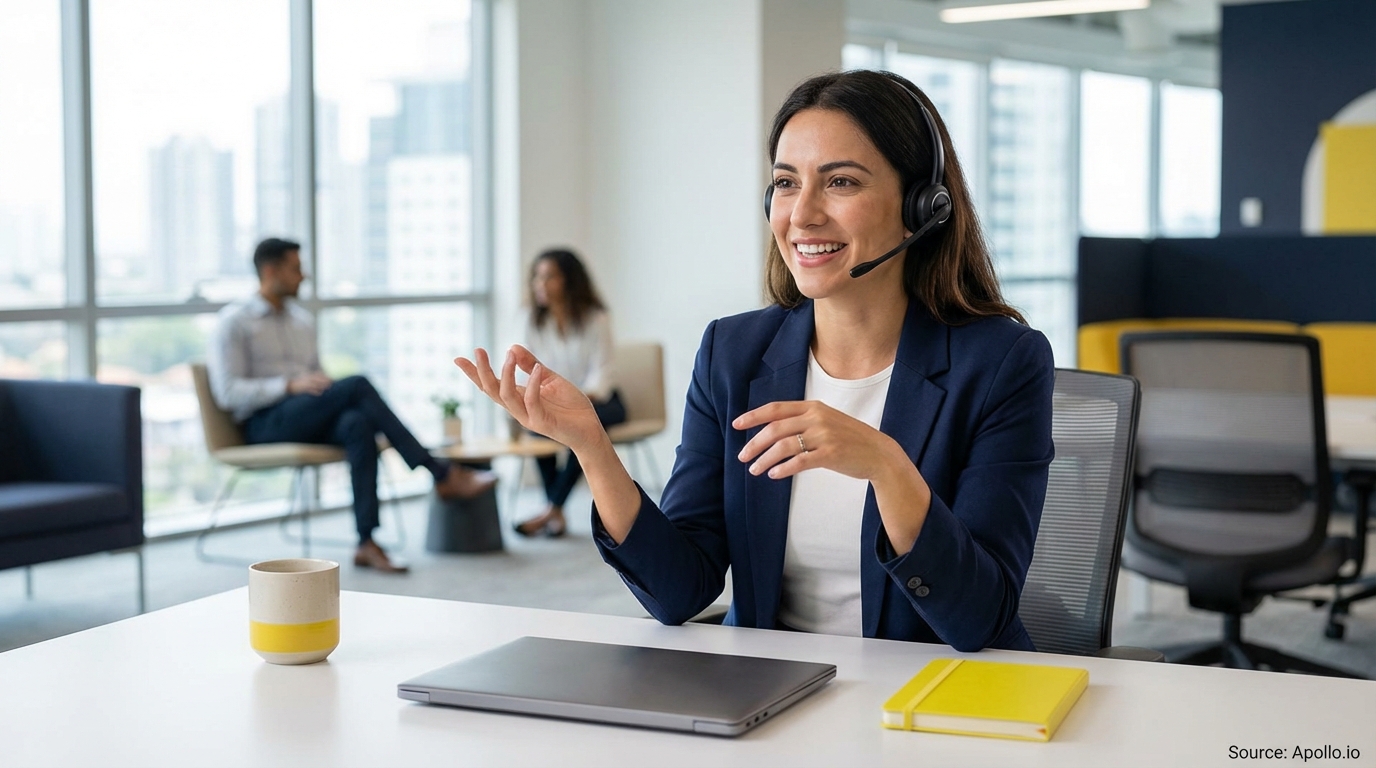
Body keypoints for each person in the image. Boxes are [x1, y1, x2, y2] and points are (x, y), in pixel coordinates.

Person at [456, 70, 1053, 652]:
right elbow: (679, 592)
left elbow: (979, 620)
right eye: (787, 183)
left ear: (923, 207)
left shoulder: (1002, 362)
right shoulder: (733, 355)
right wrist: (591, 443)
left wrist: (887, 467)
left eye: (841, 182)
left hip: (931, 708)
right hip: (775, 698)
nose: (803, 214)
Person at [209, 238, 497, 574]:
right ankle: (439, 473)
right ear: (270, 271)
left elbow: (316, 376)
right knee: (358, 384)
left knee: (356, 423)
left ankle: (366, 541)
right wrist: (289, 385)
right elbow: (228, 393)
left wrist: (317, 386)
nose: (304, 276)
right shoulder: (234, 322)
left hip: (306, 414)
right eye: (296, 269)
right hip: (263, 424)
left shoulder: (302, 322)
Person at [512, 248, 626, 538]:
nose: (540, 284)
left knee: (586, 425)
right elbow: (528, 368)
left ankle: (551, 509)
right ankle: (555, 510)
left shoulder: (595, 318)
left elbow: (603, 372)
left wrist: (576, 403)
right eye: (537, 277)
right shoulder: (530, 321)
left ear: (569, 281)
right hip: (551, 401)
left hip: (600, 401)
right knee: (537, 423)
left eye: (549, 277)